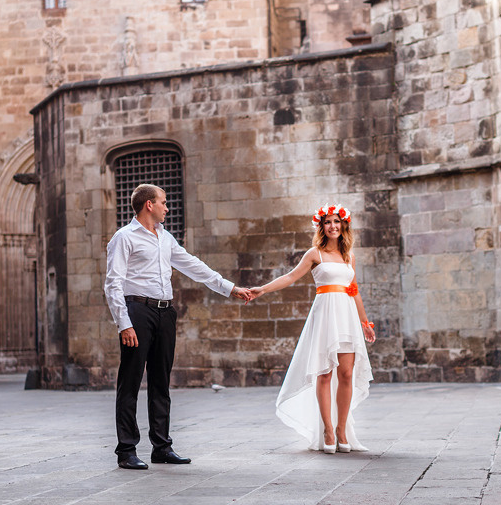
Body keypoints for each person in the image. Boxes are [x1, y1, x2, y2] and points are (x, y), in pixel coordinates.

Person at [104, 183, 252, 470]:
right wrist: (124, 323)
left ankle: (161, 446)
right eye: (163, 202)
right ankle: (126, 450)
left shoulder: (165, 238)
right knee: (131, 380)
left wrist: (230, 288)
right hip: (137, 311)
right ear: (149, 204)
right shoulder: (124, 238)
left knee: (161, 380)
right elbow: (113, 282)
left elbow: (193, 265)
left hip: (164, 312)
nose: (167, 207)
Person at [249, 204, 376, 453]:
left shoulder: (349, 255)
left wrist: (366, 323)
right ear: (322, 226)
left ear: (344, 225)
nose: (333, 226)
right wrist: (262, 289)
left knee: (347, 374)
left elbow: (354, 290)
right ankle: (328, 430)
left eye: (337, 222)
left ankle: (342, 429)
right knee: (325, 372)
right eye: (328, 222)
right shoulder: (314, 253)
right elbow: (290, 277)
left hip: (347, 316)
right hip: (326, 315)